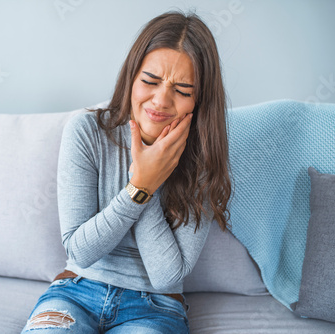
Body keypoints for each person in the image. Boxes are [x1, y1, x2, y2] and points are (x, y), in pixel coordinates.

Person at [21, 11, 231, 334]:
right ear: (131, 77)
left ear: (199, 102)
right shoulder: (86, 132)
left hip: (156, 308)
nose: (160, 100)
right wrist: (139, 186)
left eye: (182, 90)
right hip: (76, 292)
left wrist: (151, 175)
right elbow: (79, 250)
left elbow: (167, 277)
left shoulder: (202, 158)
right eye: (150, 81)